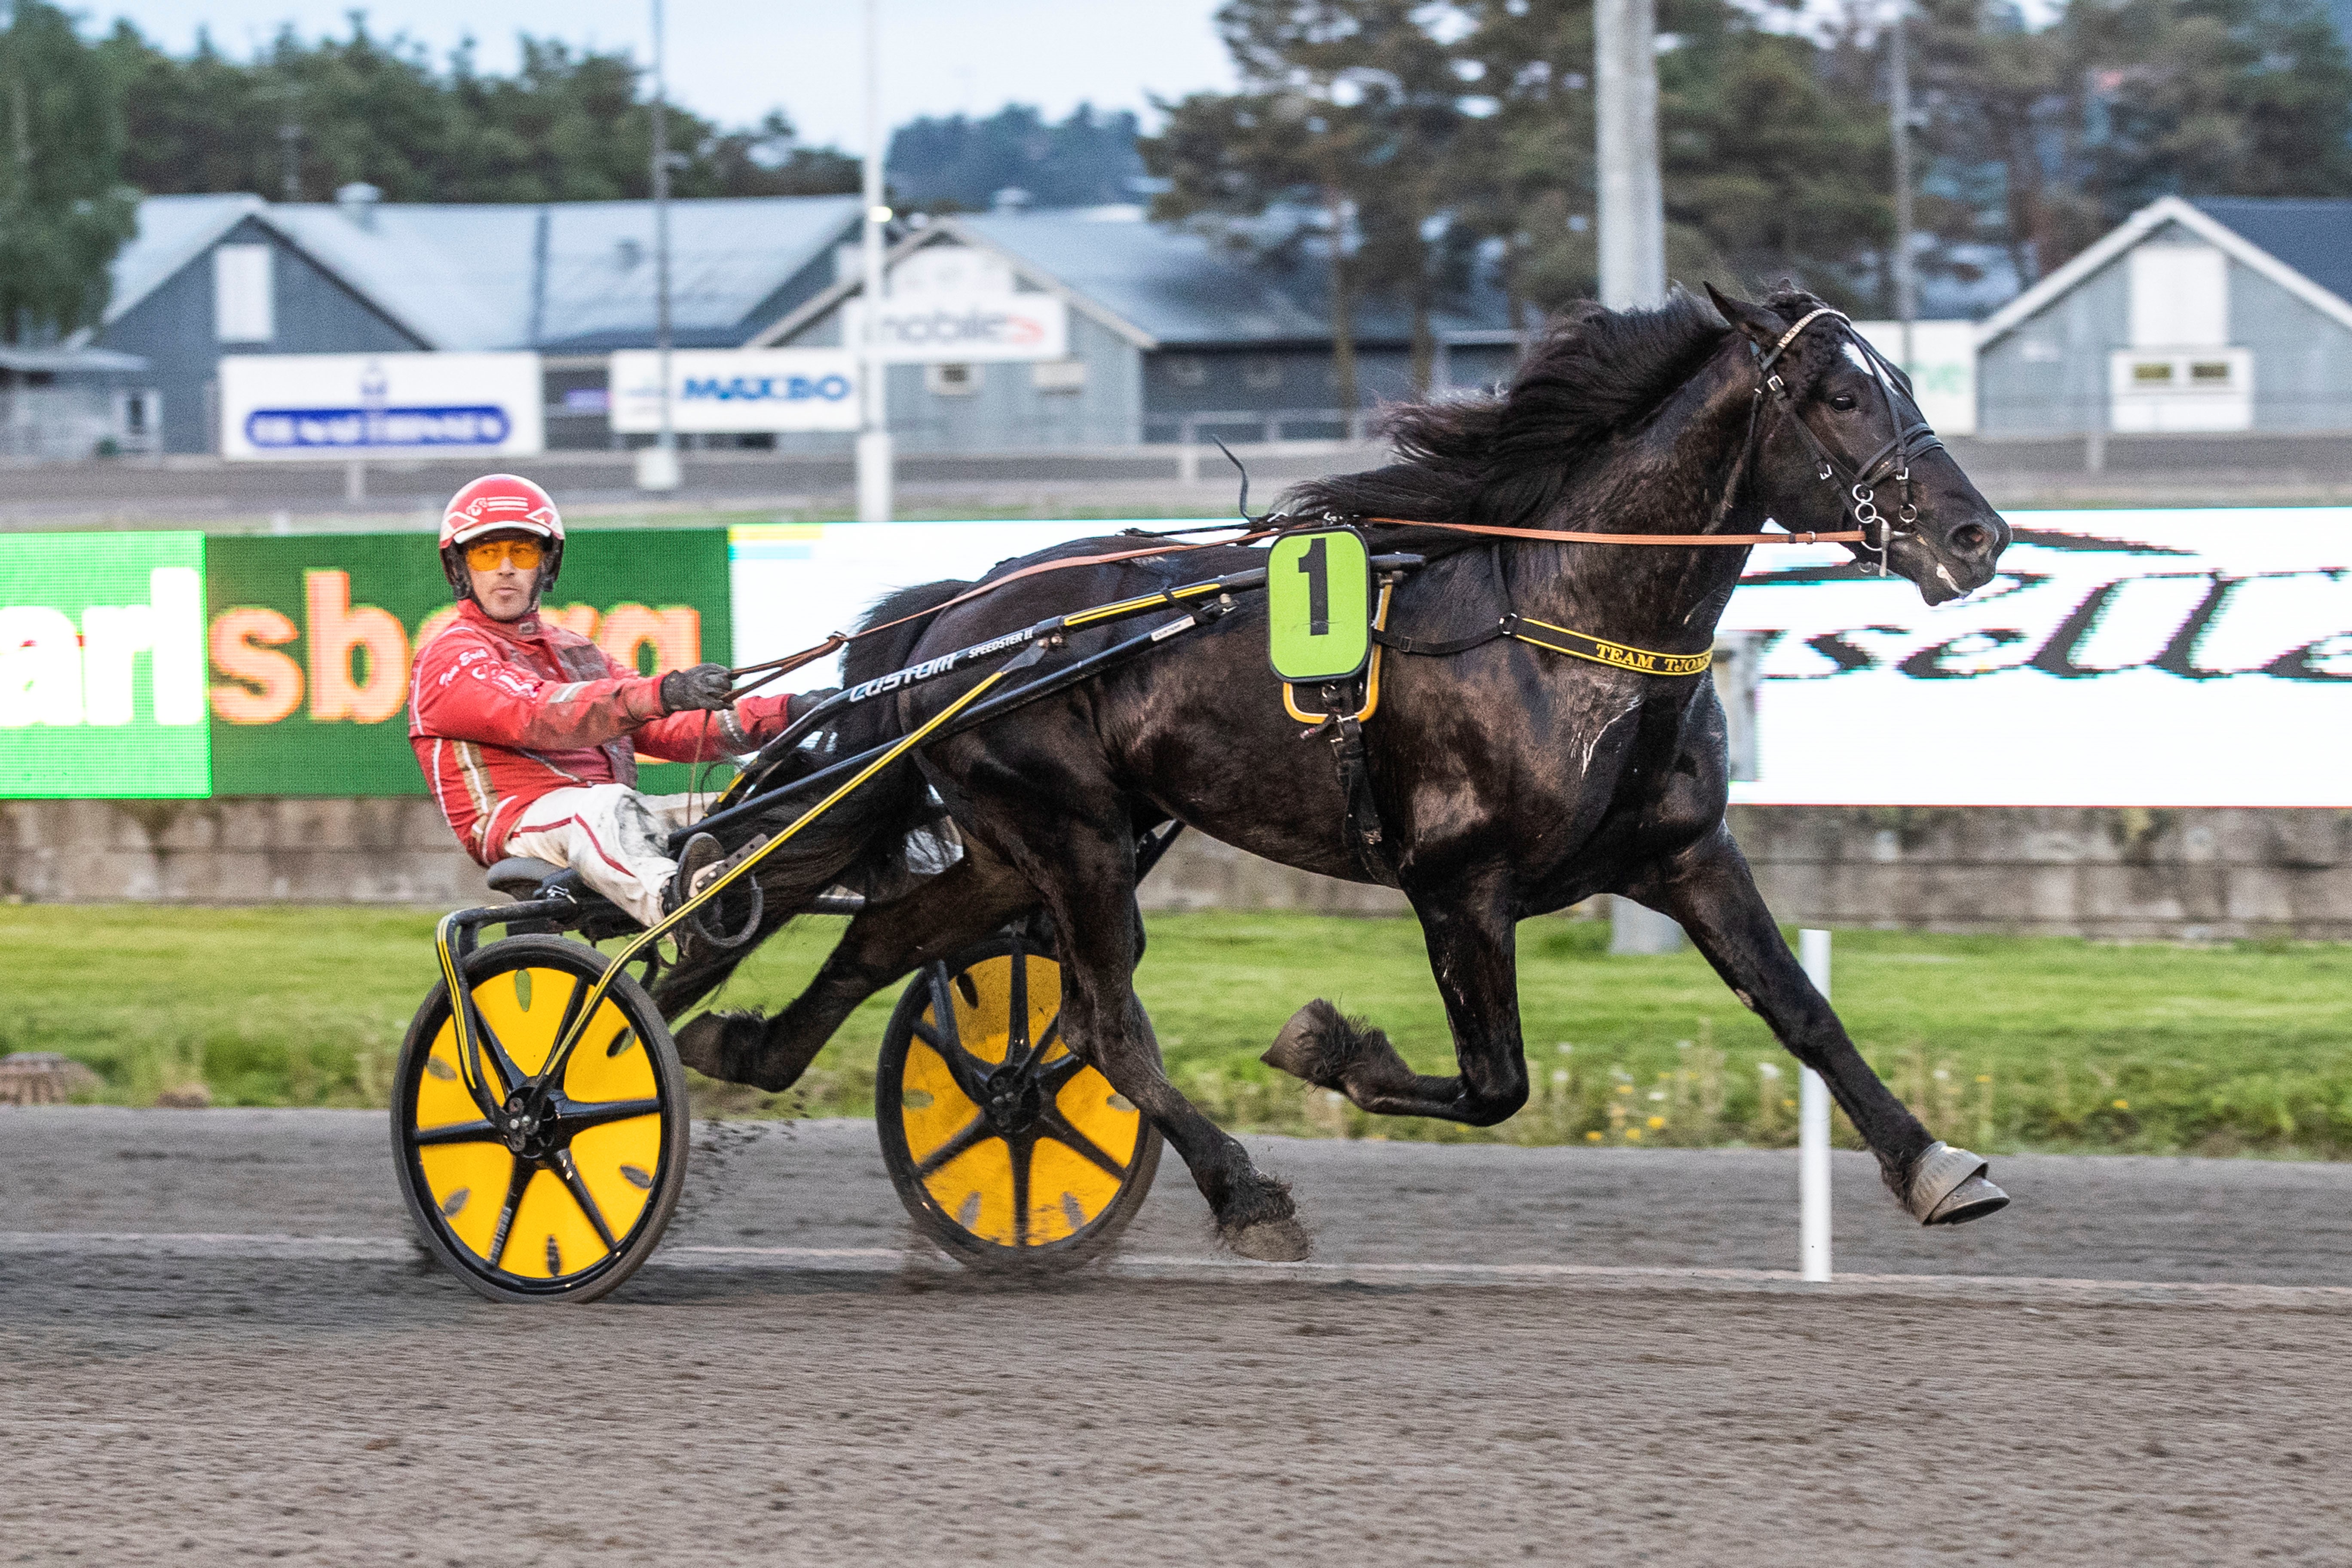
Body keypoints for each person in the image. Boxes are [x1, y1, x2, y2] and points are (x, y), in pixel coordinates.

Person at [407, 473, 827, 931]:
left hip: (611, 817)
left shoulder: (576, 651)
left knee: (756, 806)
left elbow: (667, 729)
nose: (505, 567)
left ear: (546, 566)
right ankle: (679, 910)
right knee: (606, 806)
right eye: (488, 553)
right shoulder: (449, 655)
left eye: (522, 551)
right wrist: (661, 692)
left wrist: (790, 714)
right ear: (459, 568)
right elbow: (539, 713)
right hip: (520, 824)